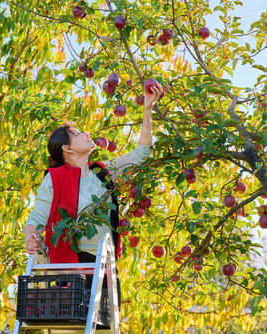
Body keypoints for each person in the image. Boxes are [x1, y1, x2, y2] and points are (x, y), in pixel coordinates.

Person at [23, 83, 164, 299]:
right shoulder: (55, 178)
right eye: (78, 133)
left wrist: (147, 110)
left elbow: (141, 154)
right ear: (66, 149)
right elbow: (38, 216)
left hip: (104, 266)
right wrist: (29, 236)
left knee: (103, 329)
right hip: (72, 268)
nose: (87, 133)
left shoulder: (103, 173)